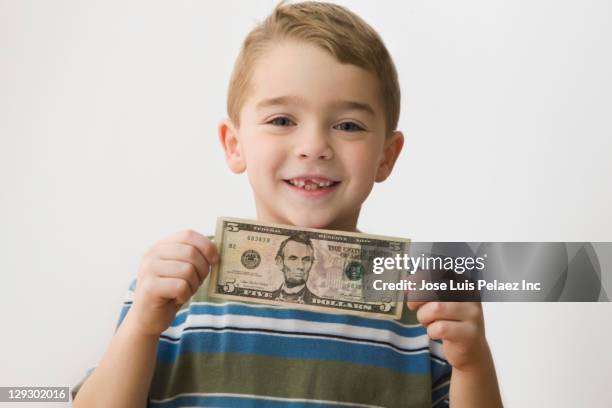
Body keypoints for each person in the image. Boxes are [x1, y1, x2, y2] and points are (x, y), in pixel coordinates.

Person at [72, 2, 503, 407]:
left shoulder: (421, 307)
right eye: (282, 120)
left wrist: (472, 360)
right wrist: (141, 327)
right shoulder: (172, 292)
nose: (313, 146)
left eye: (348, 125)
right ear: (234, 145)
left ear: (386, 157)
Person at [271, 233, 317, 303]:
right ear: (280, 262)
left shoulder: (318, 303)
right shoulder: (268, 297)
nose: (301, 266)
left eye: (306, 260)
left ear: (312, 263)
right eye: (293, 259)